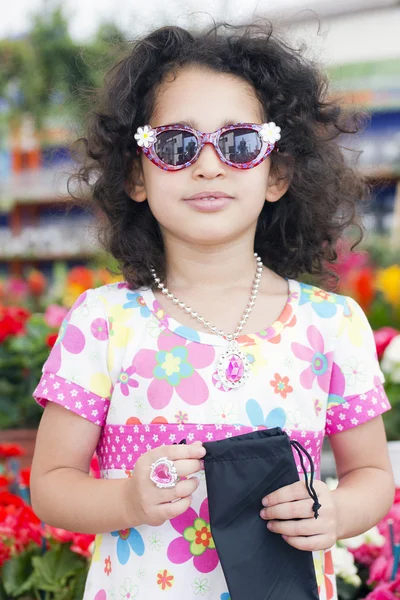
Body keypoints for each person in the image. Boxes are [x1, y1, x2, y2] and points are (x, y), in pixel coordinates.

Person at [30, 21, 395, 600]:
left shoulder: (333, 324)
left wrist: (336, 509)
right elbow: (51, 485)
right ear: (136, 174)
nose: (208, 165)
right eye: (176, 145)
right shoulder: (103, 320)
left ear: (276, 173)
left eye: (240, 143)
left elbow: (372, 476)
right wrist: (125, 499)